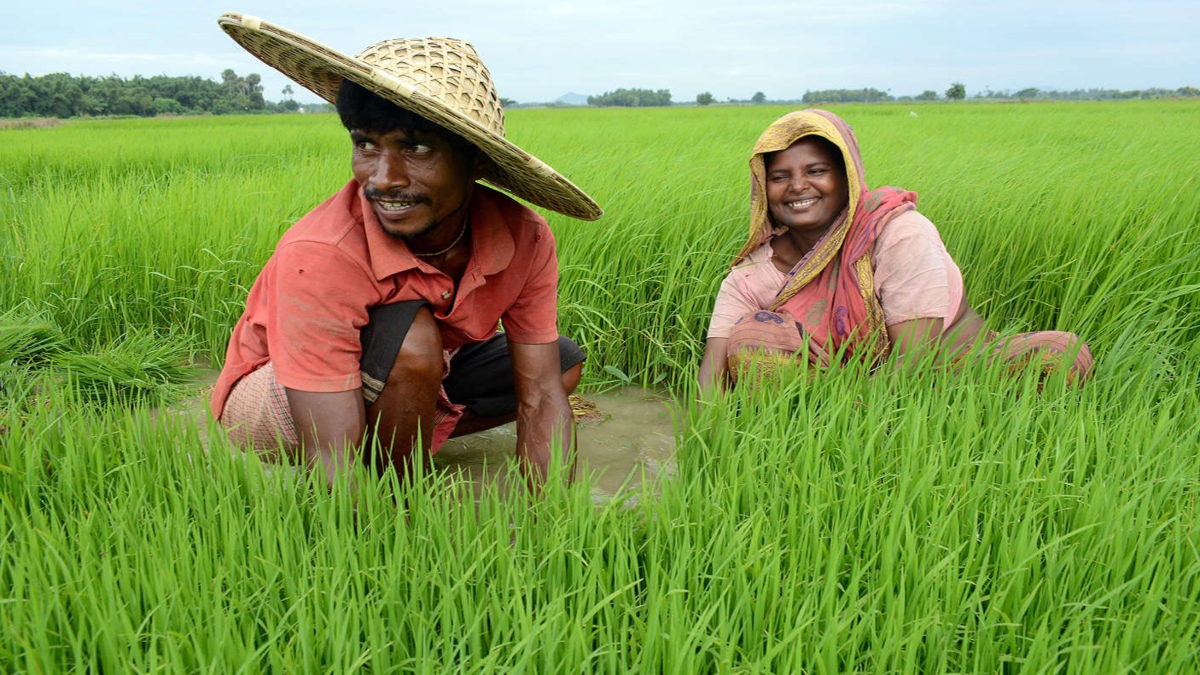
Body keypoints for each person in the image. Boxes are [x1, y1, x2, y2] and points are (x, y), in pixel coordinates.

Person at [209, 14, 602, 489]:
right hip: (276, 396)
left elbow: (539, 395)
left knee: (558, 364)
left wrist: (555, 528)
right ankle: (395, 491)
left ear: (476, 160)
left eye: (414, 148)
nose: (383, 178)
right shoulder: (320, 251)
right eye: (365, 145)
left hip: (416, 364)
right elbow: (329, 455)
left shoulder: (525, 236)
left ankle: (411, 437)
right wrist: (393, 548)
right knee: (412, 340)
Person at [698, 109, 1092, 393]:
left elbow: (915, 360)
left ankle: (935, 422)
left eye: (816, 171)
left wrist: (843, 416)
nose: (798, 186)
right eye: (780, 177)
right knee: (753, 340)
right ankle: (820, 421)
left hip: (955, 368)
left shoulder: (896, 233)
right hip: (834, 382)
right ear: (763, 190)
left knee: (1063, 355)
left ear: (847, 176)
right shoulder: (752, 273)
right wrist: (699, 447)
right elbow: (710, 376)